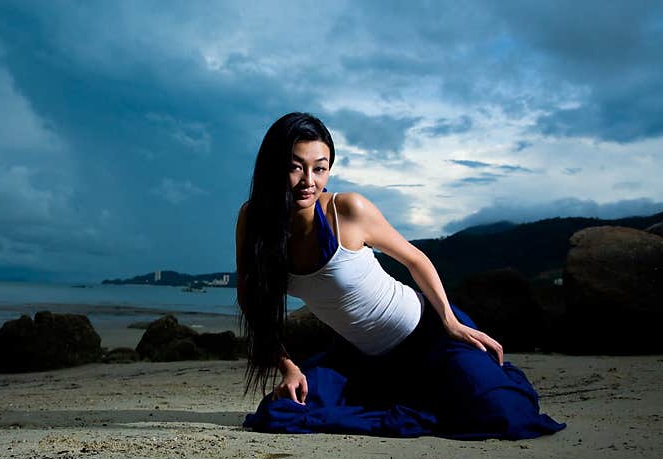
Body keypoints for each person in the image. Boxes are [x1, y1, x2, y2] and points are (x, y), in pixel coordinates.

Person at [236, 111, 565, 439]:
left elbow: (415, 259)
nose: (309, 180)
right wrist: (288, 367)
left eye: (320, 168)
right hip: (361, 360)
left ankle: (483, 377)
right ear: (273, 166)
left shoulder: (348, 210)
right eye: (296, 166)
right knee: (280, 412)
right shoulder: (254, 221)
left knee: (504, 415)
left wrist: (449, 320)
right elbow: (250, 299)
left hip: (429, 336)